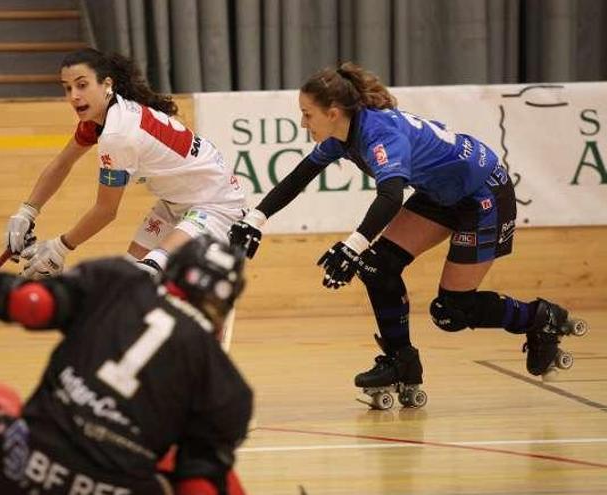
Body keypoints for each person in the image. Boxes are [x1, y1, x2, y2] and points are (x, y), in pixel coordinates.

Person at [229, 62, 587, 409]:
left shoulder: (380, 134)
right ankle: (401, 361)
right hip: (442, 193)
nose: (303, 122)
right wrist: (255, 218)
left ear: (334, 112)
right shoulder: (344, 133)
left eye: (308, 114)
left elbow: (390, 196)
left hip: (483, 195)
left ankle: (540, 318)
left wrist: (352, 245)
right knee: (377, 267)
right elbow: (300, 176)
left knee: (451, 311)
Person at [0, 236, 253, 494]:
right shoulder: (230, 388)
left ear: (173, 270)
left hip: (23, 468)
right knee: (208, 479)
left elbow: (32, 304)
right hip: (121, 488)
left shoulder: (120, 281)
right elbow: (199, 486)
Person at [5, 47, 245, 279]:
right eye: (67, 88)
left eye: (82, 85)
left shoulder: (117, 134)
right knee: (129, 280)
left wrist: (60, 247)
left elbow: (106, 211)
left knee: (145, 276)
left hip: (215, 206)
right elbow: (62, 164)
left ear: (107, 85)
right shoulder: (102, 117)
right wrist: (26, 212)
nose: (73, 96)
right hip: (176, 204)